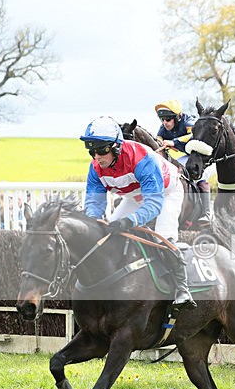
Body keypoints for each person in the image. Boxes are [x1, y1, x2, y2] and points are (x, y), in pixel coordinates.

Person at [81, 116, 196, 312]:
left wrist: (129, 221)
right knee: (107, 235)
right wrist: (93, 222)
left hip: (166, 193)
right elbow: (94, 202)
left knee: (163, 237)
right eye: (92, 151)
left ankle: (183, 290)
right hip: (134, 196)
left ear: (116, 147)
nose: (97, 156)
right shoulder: (96, 167)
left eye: (102, 150)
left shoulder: (142, 158)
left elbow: (153, 203)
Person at [155, 99, 213, 225]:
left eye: (168, 119)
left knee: (199, 178)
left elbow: (193, 134)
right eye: (163, 119)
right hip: (188, 156)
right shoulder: (164, 126)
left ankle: (207, 214)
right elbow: (158, 138)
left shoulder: (188, 121)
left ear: (178, 117)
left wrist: (173, 142)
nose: (165, 122)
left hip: (203, 158)